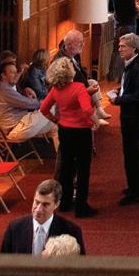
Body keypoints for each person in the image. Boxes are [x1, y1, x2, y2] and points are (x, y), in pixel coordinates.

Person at [39, 56, 96, 218]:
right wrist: (96, 121)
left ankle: (64, 202)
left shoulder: (55, 90)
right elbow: (87, 109)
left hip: (65, 130)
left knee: (66, 167)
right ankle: (81, 206)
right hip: (82, 131)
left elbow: (43, 108)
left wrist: (56, 120)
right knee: (83, 168)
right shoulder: (79, 87)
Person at [107, 32, 139, 205]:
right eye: (119, 46)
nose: (119, 49)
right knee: (134, 152)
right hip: (131, 114)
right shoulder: (132, 64)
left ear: (133, 48)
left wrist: (119, 99)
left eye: (123, 46)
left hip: (135, 116)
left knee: (132, 153)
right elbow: (131, 87)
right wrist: (120, 90)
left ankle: (135, 190)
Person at [0, 179, 86, 255]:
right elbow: (3, 262)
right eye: (36, 202)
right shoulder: (15, 228)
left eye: (45, 204)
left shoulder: (71, 231)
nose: (38, 209)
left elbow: (79, 266)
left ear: (56, 204)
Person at [0, 59, 58, 148]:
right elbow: (28, 104)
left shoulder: (5, 87)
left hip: (23, 124)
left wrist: (26, 93)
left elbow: (22, 101)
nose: (16, 75)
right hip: (17, 128)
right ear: (3, 75)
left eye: (16, 72)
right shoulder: (3, 89)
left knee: (55, 127)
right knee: (54, 107)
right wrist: (42, 102)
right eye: (12, 73)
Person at [55, 30, 111, 121]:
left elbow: (80, 71)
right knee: (90, 86)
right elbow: (65, 90)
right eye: (80, 43)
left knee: (93, 82)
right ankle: (91, 118)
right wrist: (86, 91)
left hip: (79, 86)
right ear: (69, 45)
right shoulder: (60, 62)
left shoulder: (75, 54)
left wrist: (86, 82)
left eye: (82, 42)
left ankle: (99, 110)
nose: (83, 45)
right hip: (69, 96)